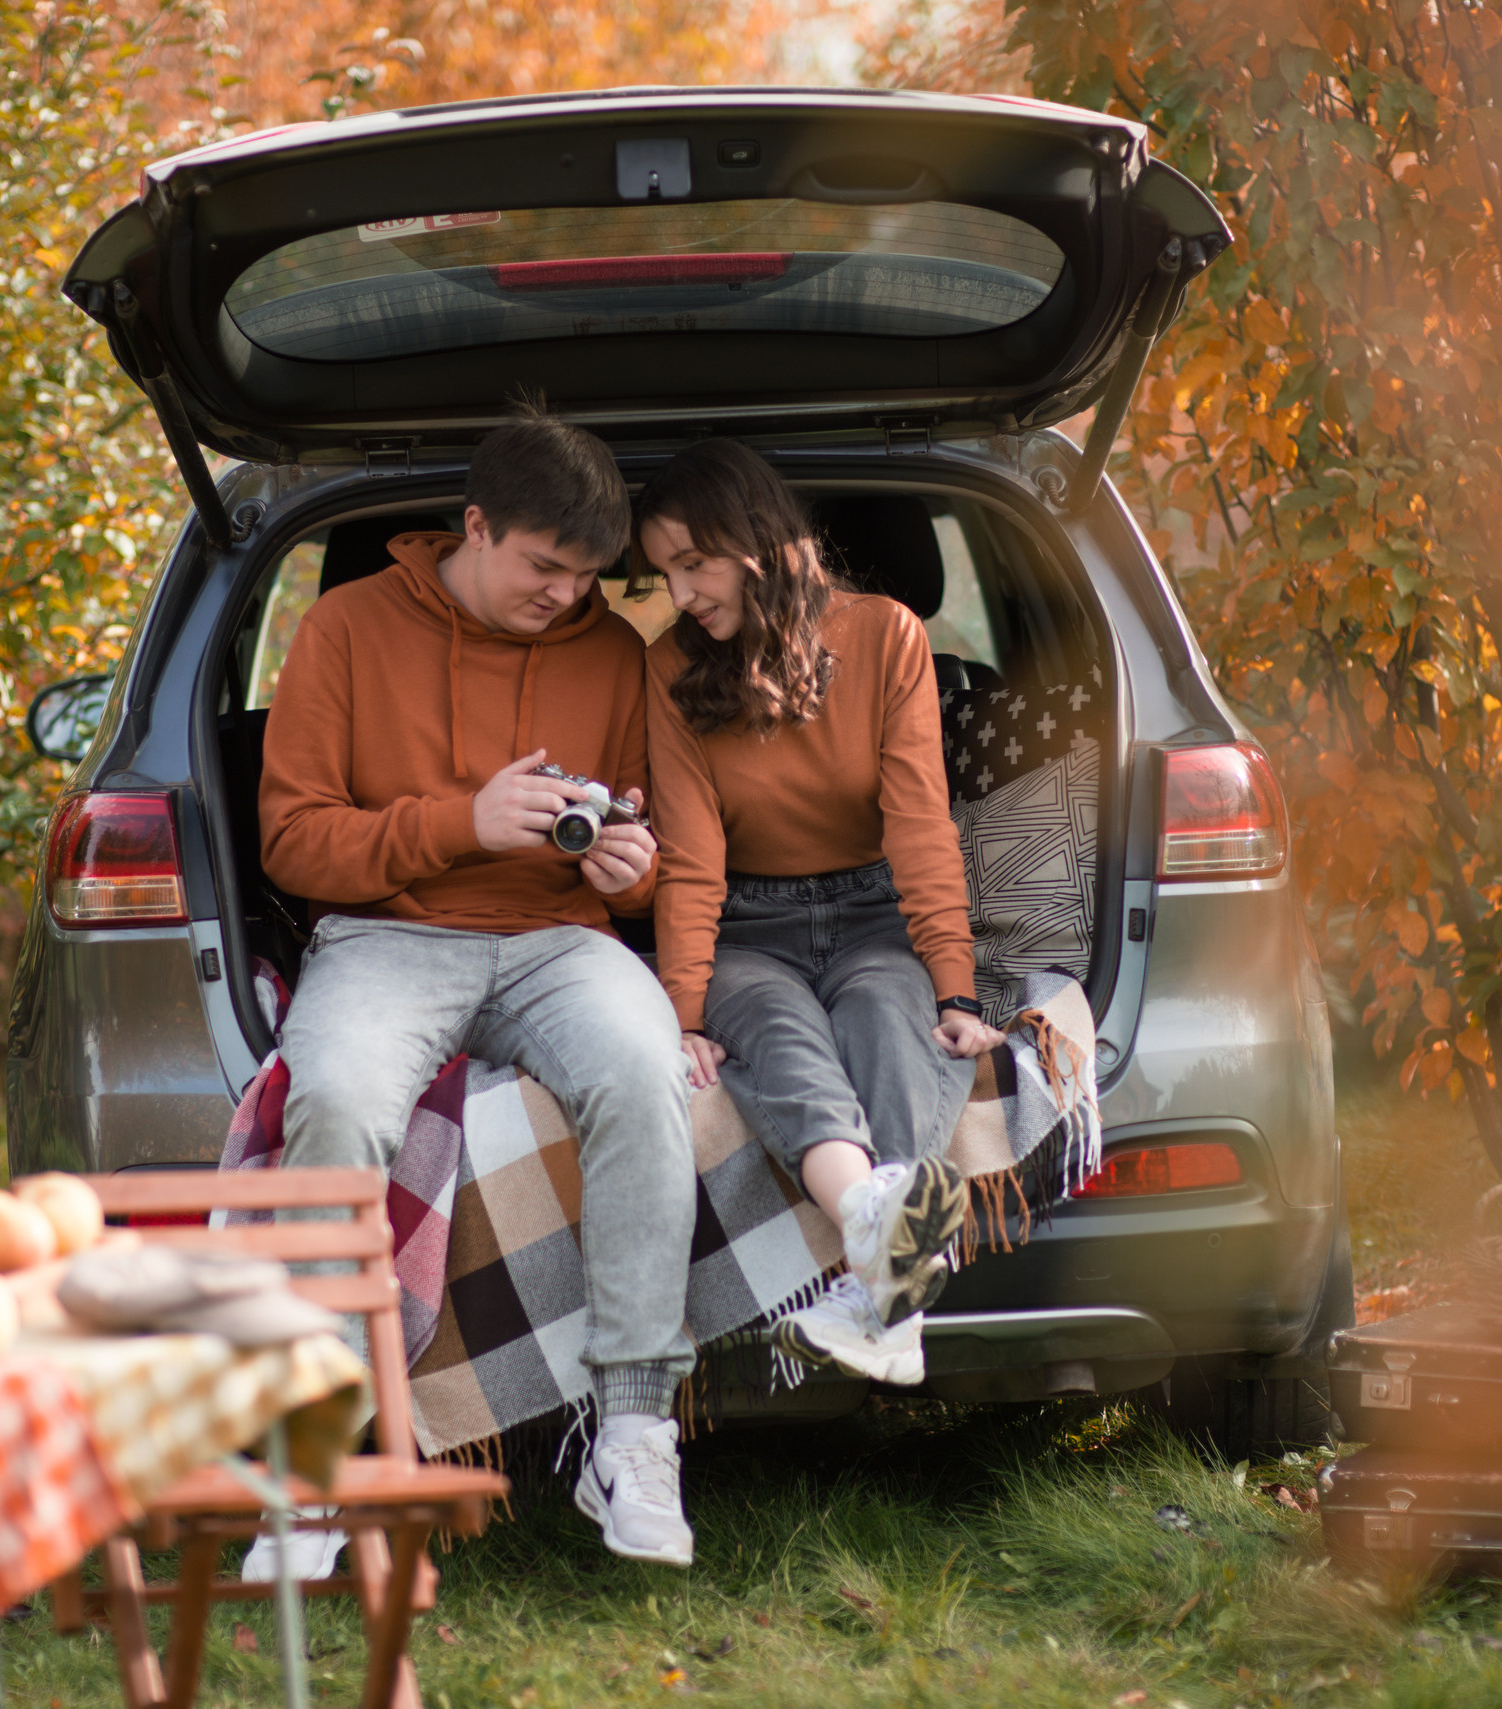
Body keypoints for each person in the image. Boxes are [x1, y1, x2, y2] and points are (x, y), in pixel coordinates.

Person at [254, 407, 699, 1569]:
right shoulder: (345, 627)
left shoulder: (613, 651)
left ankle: (636, 1429)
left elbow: (647, 830)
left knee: (649, 1070)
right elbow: (293, 844)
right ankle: (307, 1464)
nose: (565, 596)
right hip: (386, 937)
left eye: (589, 576)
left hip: (559, 935)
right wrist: (458, 823)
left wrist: (630, 866)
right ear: (472, 524)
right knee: (338, 1099)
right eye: (542, 567)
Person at [638, 439, 1004, 1389]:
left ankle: (876, 1292)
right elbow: (688, 860)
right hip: (747, 927)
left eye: (692, 564)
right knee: (779, 1033)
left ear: (752, 542)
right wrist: (682, 1014)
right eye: (665, 572)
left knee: (892, 1018)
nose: (678, 594)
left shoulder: (886, 636)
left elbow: (921, 823)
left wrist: (956, 985)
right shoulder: (671, 667)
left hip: (872, 906)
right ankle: (893, 1288)